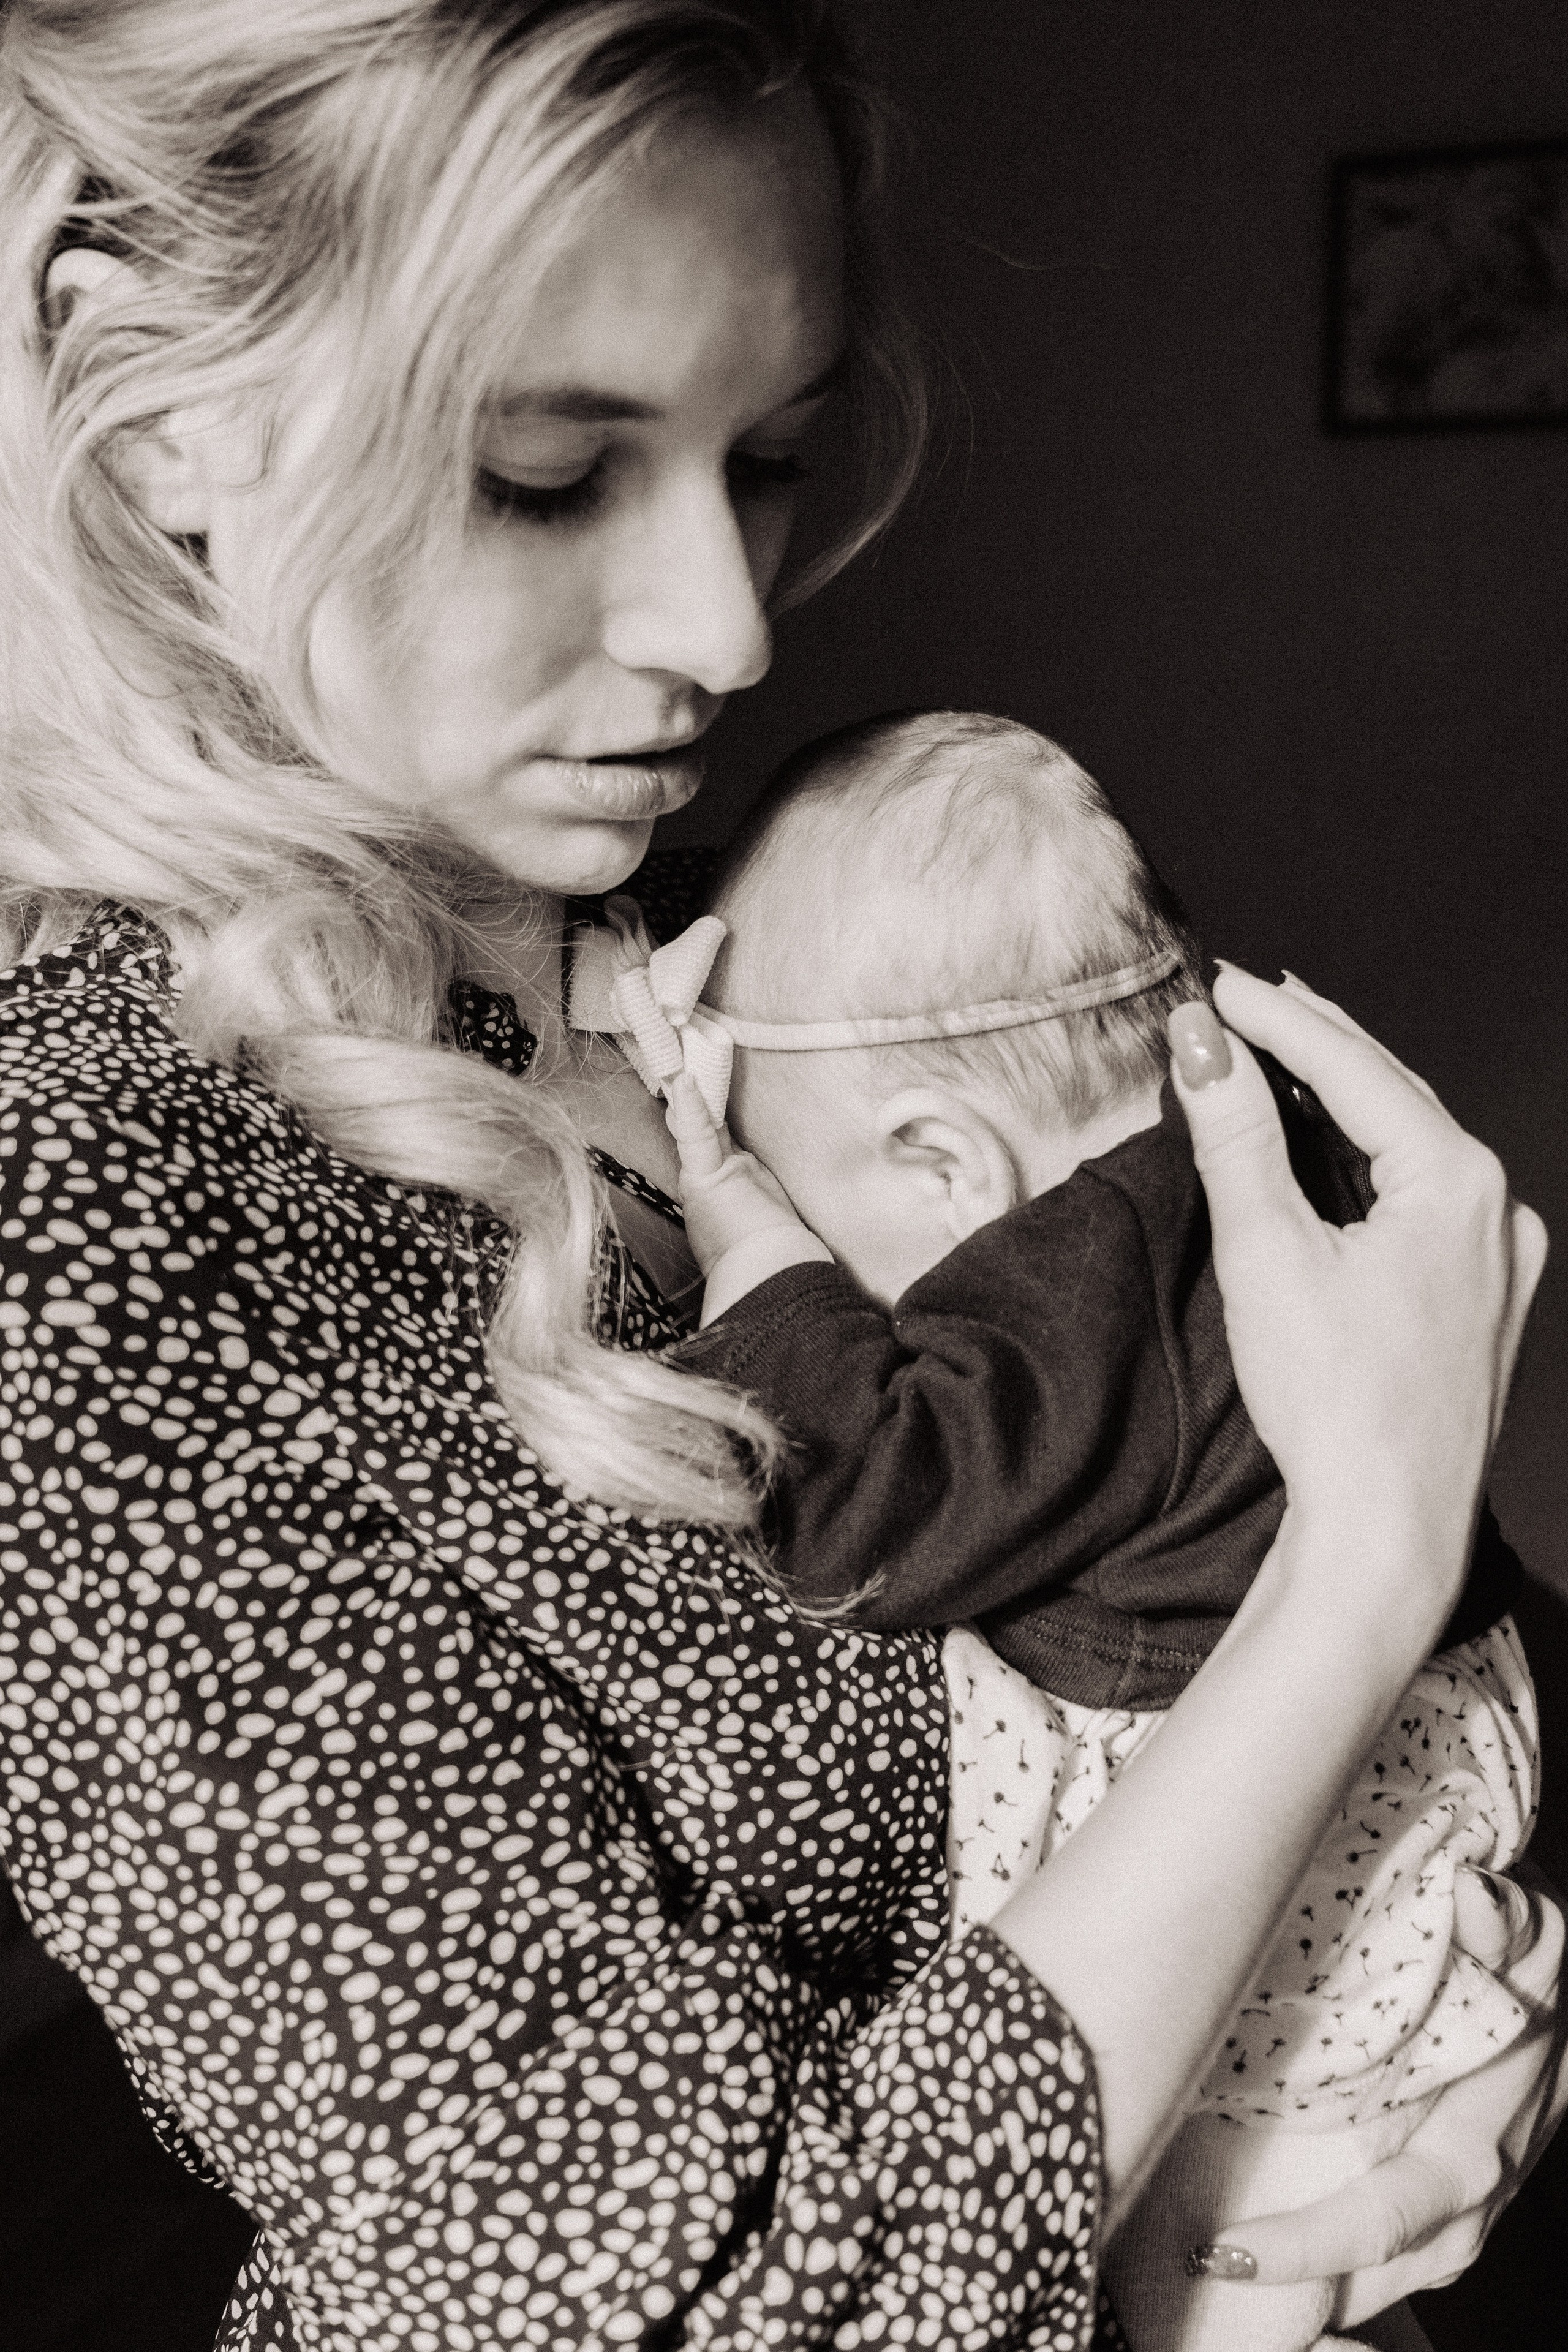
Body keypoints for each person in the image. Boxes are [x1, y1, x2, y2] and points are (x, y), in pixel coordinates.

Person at [0, 5, 1559, 2348]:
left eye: (770, 459)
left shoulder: (731, 948)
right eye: (550, 471)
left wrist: (1431, 2010)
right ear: (147, 392)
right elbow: (614, 2302)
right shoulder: (79, 1215)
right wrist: (1360, 1575)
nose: (733, 628)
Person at [652, 707, 1541, 2351]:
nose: (845, 1291)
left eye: (817, 1193)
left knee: (1201, 2289)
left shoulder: (1076, 1269)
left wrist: (739, 1225)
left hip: (1304, 1877)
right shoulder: (1244, 1139)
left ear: (945, 1162)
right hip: (1429, 1783)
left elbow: (869, 1521)